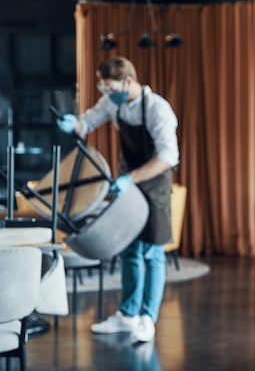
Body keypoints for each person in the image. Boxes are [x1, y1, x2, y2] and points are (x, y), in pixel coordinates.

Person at [56, 56, 179, 343]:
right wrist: (74, 122)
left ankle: (148, 319)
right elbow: (87, 123)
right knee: (129, 249)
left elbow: (168, 157)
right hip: (129, 183)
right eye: (103, 90)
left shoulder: (159, 109)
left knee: (152, 252)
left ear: (127, 82)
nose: (107, 96)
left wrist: (130, 178)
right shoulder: (113, 102)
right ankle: (127, 315)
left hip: (154, 183)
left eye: (110, 89)